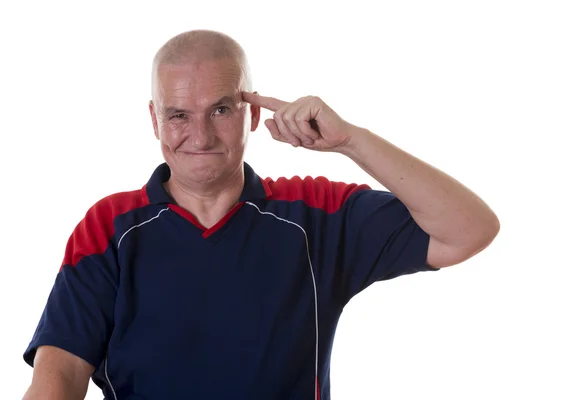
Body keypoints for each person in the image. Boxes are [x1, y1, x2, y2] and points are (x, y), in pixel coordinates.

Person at [22, 29, 500, 400]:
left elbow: (469, 229)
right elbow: (59, 374)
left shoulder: (315, 216)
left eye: (221, 109)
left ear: (251, 115)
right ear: (154, 120)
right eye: (179, 115)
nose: (201, 135)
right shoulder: (109, 226)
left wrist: (350, 140)